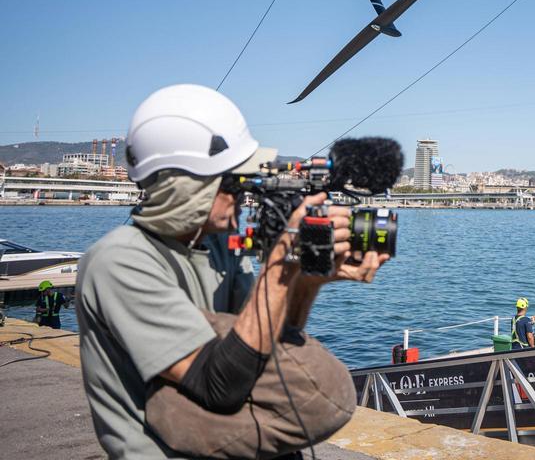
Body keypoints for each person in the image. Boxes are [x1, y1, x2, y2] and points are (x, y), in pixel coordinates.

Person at [76, 84, 390, 459]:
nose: (245, 199)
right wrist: (278, 267)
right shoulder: (119, 262)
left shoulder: (219, 246)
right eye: (234, 186)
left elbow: (261, 347)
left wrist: (306, 279)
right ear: (188, 186)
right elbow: (218, 383)